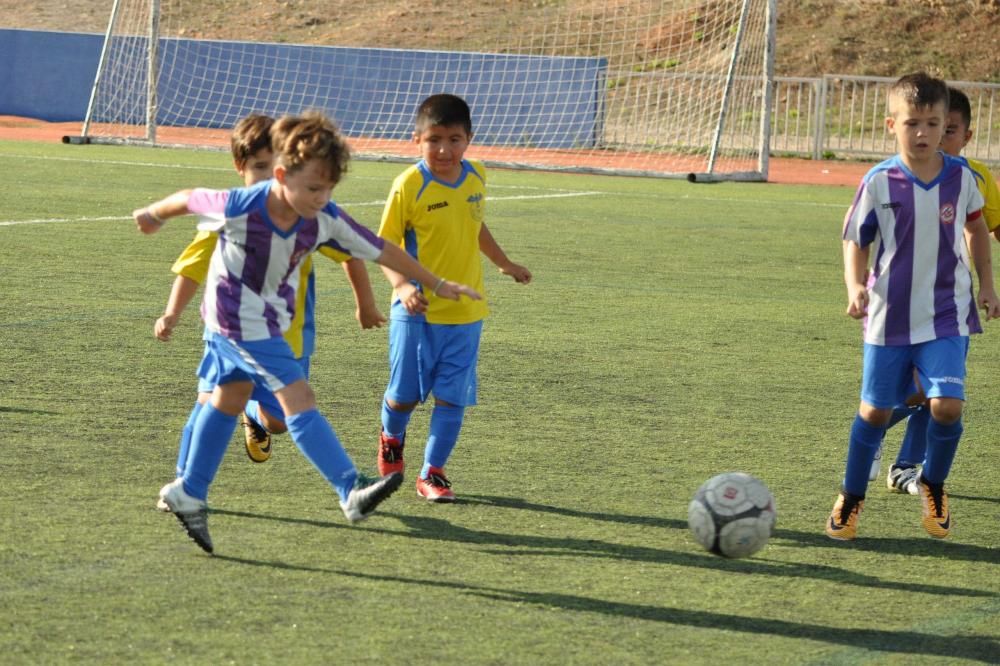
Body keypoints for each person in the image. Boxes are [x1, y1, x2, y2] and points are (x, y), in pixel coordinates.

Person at [133, 111, 481, 553]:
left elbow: (380, 249)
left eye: (330, 188)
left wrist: (434, 282)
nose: (322, 197)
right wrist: (153, 214)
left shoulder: (324, 217)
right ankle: (349, 490)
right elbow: (188, 198)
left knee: (229, 398)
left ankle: (190, 490)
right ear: (280, 176)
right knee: (299, 398)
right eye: (314, 188)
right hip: (237, 323)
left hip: (261, 324)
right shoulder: (244, 205)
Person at [155, 113, 385, 477]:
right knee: (208, 405)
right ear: (239, 166)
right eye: (259, 166)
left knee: (280, 420)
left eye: (273, 166)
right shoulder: (230, 213)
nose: (266, 175)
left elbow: (350, 255)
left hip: (288, 337)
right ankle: (184, 482)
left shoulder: (307, 216)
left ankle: (252, 415)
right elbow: (192, 267)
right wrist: (171, 313)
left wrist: (366, 305)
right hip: (228, 332)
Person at [827, 72, 1000, 541]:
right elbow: (854, 240)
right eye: (912, 123)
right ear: (891, 125)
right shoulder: (880, 180)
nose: (922, 133)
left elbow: (977, 230)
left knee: (947, 405)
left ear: (947, 125)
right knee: (875, 414)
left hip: (947, 312)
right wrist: (854, 287)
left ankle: (933, 484)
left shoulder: (962, 177)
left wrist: (987, 286)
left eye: (933, 123)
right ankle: (851, 496)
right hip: (888, 315)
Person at [374, 93, 532, 502]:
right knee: (404, 395)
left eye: (454, 139)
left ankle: (433, 473)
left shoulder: (477, 175)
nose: (444, 149)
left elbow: (474, 224)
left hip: (466, 310)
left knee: (452, 396)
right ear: (417, 140)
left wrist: (504, 262)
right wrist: (403, 286)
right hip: (417, 311)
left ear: (469, 139)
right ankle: (392, 435)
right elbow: (385, 244)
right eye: (434, 139)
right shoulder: (409, 184)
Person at [874, 86, 1000, 495]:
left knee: (942, 390)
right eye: (932, 127)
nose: (938, 138)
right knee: (916, 390)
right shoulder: (900, 174)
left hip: (952, 306)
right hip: (905, 302)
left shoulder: (975, 178)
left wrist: (987, 286)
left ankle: (906, 465)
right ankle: (873, 425)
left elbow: (987, 230)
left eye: (949, 130)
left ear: (966, 135)